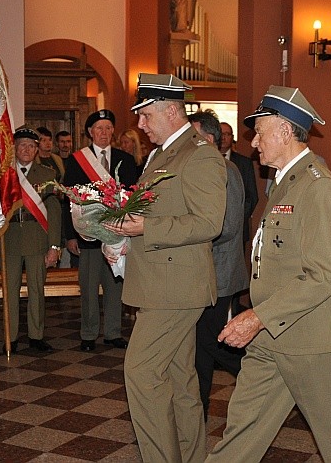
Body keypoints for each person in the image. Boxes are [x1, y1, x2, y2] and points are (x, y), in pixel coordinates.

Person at [206, 86, 331, 462]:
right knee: (242, 430)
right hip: (272, 336)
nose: (255, 142)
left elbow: (324, 273)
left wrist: (256, 316)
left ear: (284, 131)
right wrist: (260, 319)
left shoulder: (318, 187)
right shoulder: (285, 181)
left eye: (261, 132)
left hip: (313, 341)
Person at [104, 73, 226, 462]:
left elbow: (210, 222)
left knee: (140, 373)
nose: (141, 125)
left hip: (177, 287)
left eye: (146, 116)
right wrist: (124, 240)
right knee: (181, 380)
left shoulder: (200, 154)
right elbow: (155, 211)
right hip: (159, 282)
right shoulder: (159, 155)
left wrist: (146, 227)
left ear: (171, 111)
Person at [188, 110, 247, 421]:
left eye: (193, 137)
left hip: (220, 272)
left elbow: (229, 226)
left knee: (208, 340)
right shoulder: (205, 169)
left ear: (209, 139)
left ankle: (256, 372)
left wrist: (188, 239)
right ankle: (200, 406)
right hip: (203, 272)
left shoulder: (226, 170)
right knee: (201, 342)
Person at [62, 109, 137, 352]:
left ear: (112, 131)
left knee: (115, 286)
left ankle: (113, 333)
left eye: (107, 128)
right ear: (90, 132)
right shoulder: (76, 160)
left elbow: (132, 197)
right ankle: (89, 333)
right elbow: (70, 201)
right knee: (89, 287)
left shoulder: (125, 159)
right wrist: (70, 235)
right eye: (98, 129)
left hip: (116, 235)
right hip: (89, 238)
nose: (103, 133)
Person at [3, 126, 62, 354]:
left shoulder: (47, 174)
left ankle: (36, 336)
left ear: (37, 149)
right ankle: (11, 336)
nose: (26, 150)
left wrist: (54, 246)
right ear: (15, 149)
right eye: (22, 145)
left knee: (37, 290)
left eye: (30, 145)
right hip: (10, 239)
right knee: (10, 291)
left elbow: (54, 212)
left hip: (38, 238)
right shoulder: (4, 175)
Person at [219, 122, 259, 244]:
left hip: (238, 227)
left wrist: (237, 218)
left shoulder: (244, 163)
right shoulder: (206, 161)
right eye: (221, 134)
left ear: (232, 137)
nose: (224, 137)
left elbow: (251, 197)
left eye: (227, 134)